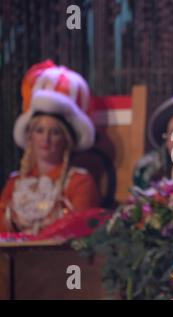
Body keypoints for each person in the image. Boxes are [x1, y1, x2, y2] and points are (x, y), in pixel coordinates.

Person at [0, 60, 101, 235]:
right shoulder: (14, 183)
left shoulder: (79, 182)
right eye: (39, 131)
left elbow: (81, 234)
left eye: (54, 132)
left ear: (66, 140)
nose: (46, 139)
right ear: (30, 136)